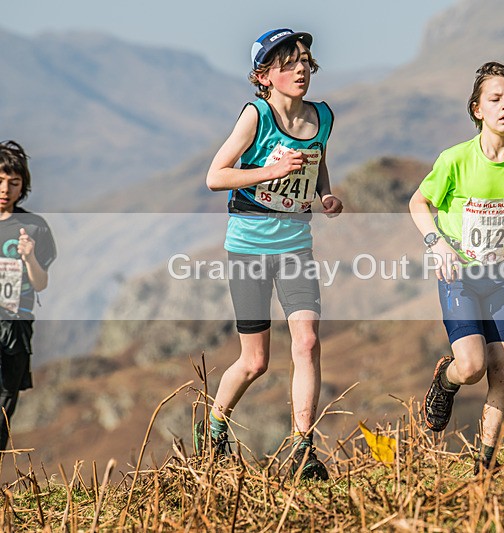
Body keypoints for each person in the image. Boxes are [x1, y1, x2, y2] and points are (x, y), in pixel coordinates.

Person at [195, 28, 342, 481]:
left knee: (308, 343)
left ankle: (302, 447)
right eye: (288, 63)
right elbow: (215, 177)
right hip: (249, 247)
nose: (300, 69)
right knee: (256, 361)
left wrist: (326, 194)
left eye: (305, 61)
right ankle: (214, 427)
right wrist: (269, 170)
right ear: (264, 76)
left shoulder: (323, 116)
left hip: (296, 244)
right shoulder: (255, 115)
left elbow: (316, 160)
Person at [409, 62, 504, 475]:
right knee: (472, 367)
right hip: (459, 276)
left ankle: (485, 464)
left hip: (502, 278)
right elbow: (418, 203)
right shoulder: (455, 160)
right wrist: (436, 244)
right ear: (477, 110)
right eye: (495, 100)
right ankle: (446, 380)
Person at [0, 141, 56, 451]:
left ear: (24, 186)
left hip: (15, 328)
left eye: (14, 183)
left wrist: (29, 258)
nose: (5, 189)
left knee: (5, 406)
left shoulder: (34, 228)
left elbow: (41, 283)